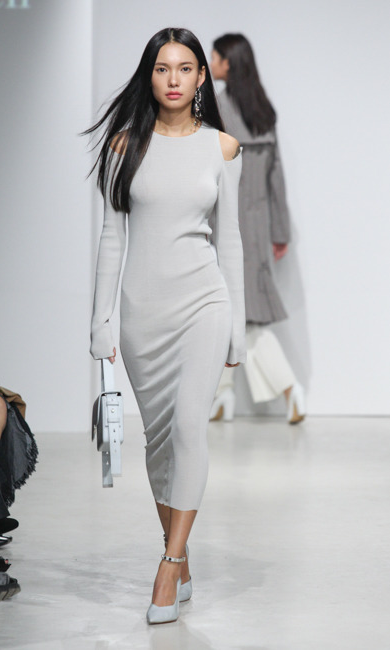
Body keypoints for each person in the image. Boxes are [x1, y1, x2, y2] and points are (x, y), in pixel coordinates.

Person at [86, 27, 247, 624]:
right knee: (158, 446)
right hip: (141, 315)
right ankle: (180, 557)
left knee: (186, 428)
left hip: (204, 304)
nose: (173, 79)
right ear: (149, 76)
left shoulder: (223, 149)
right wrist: (100, 319)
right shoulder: (124, 146)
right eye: (162, 68)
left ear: (202, 76)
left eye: (184, 68)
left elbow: (230, 242)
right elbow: (111, 238)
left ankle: (169, 563)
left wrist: (238, 326)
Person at [210, 33, 306, 424]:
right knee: (226, 311)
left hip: (224, 224)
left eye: (214, 56)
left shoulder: (217, 109)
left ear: (228, 63)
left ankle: (288, 388)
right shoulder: (263, 111)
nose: (210, 62)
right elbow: (275, 178)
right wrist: (279, 231)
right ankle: (222, 394)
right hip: (257, 224)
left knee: (241, 315)